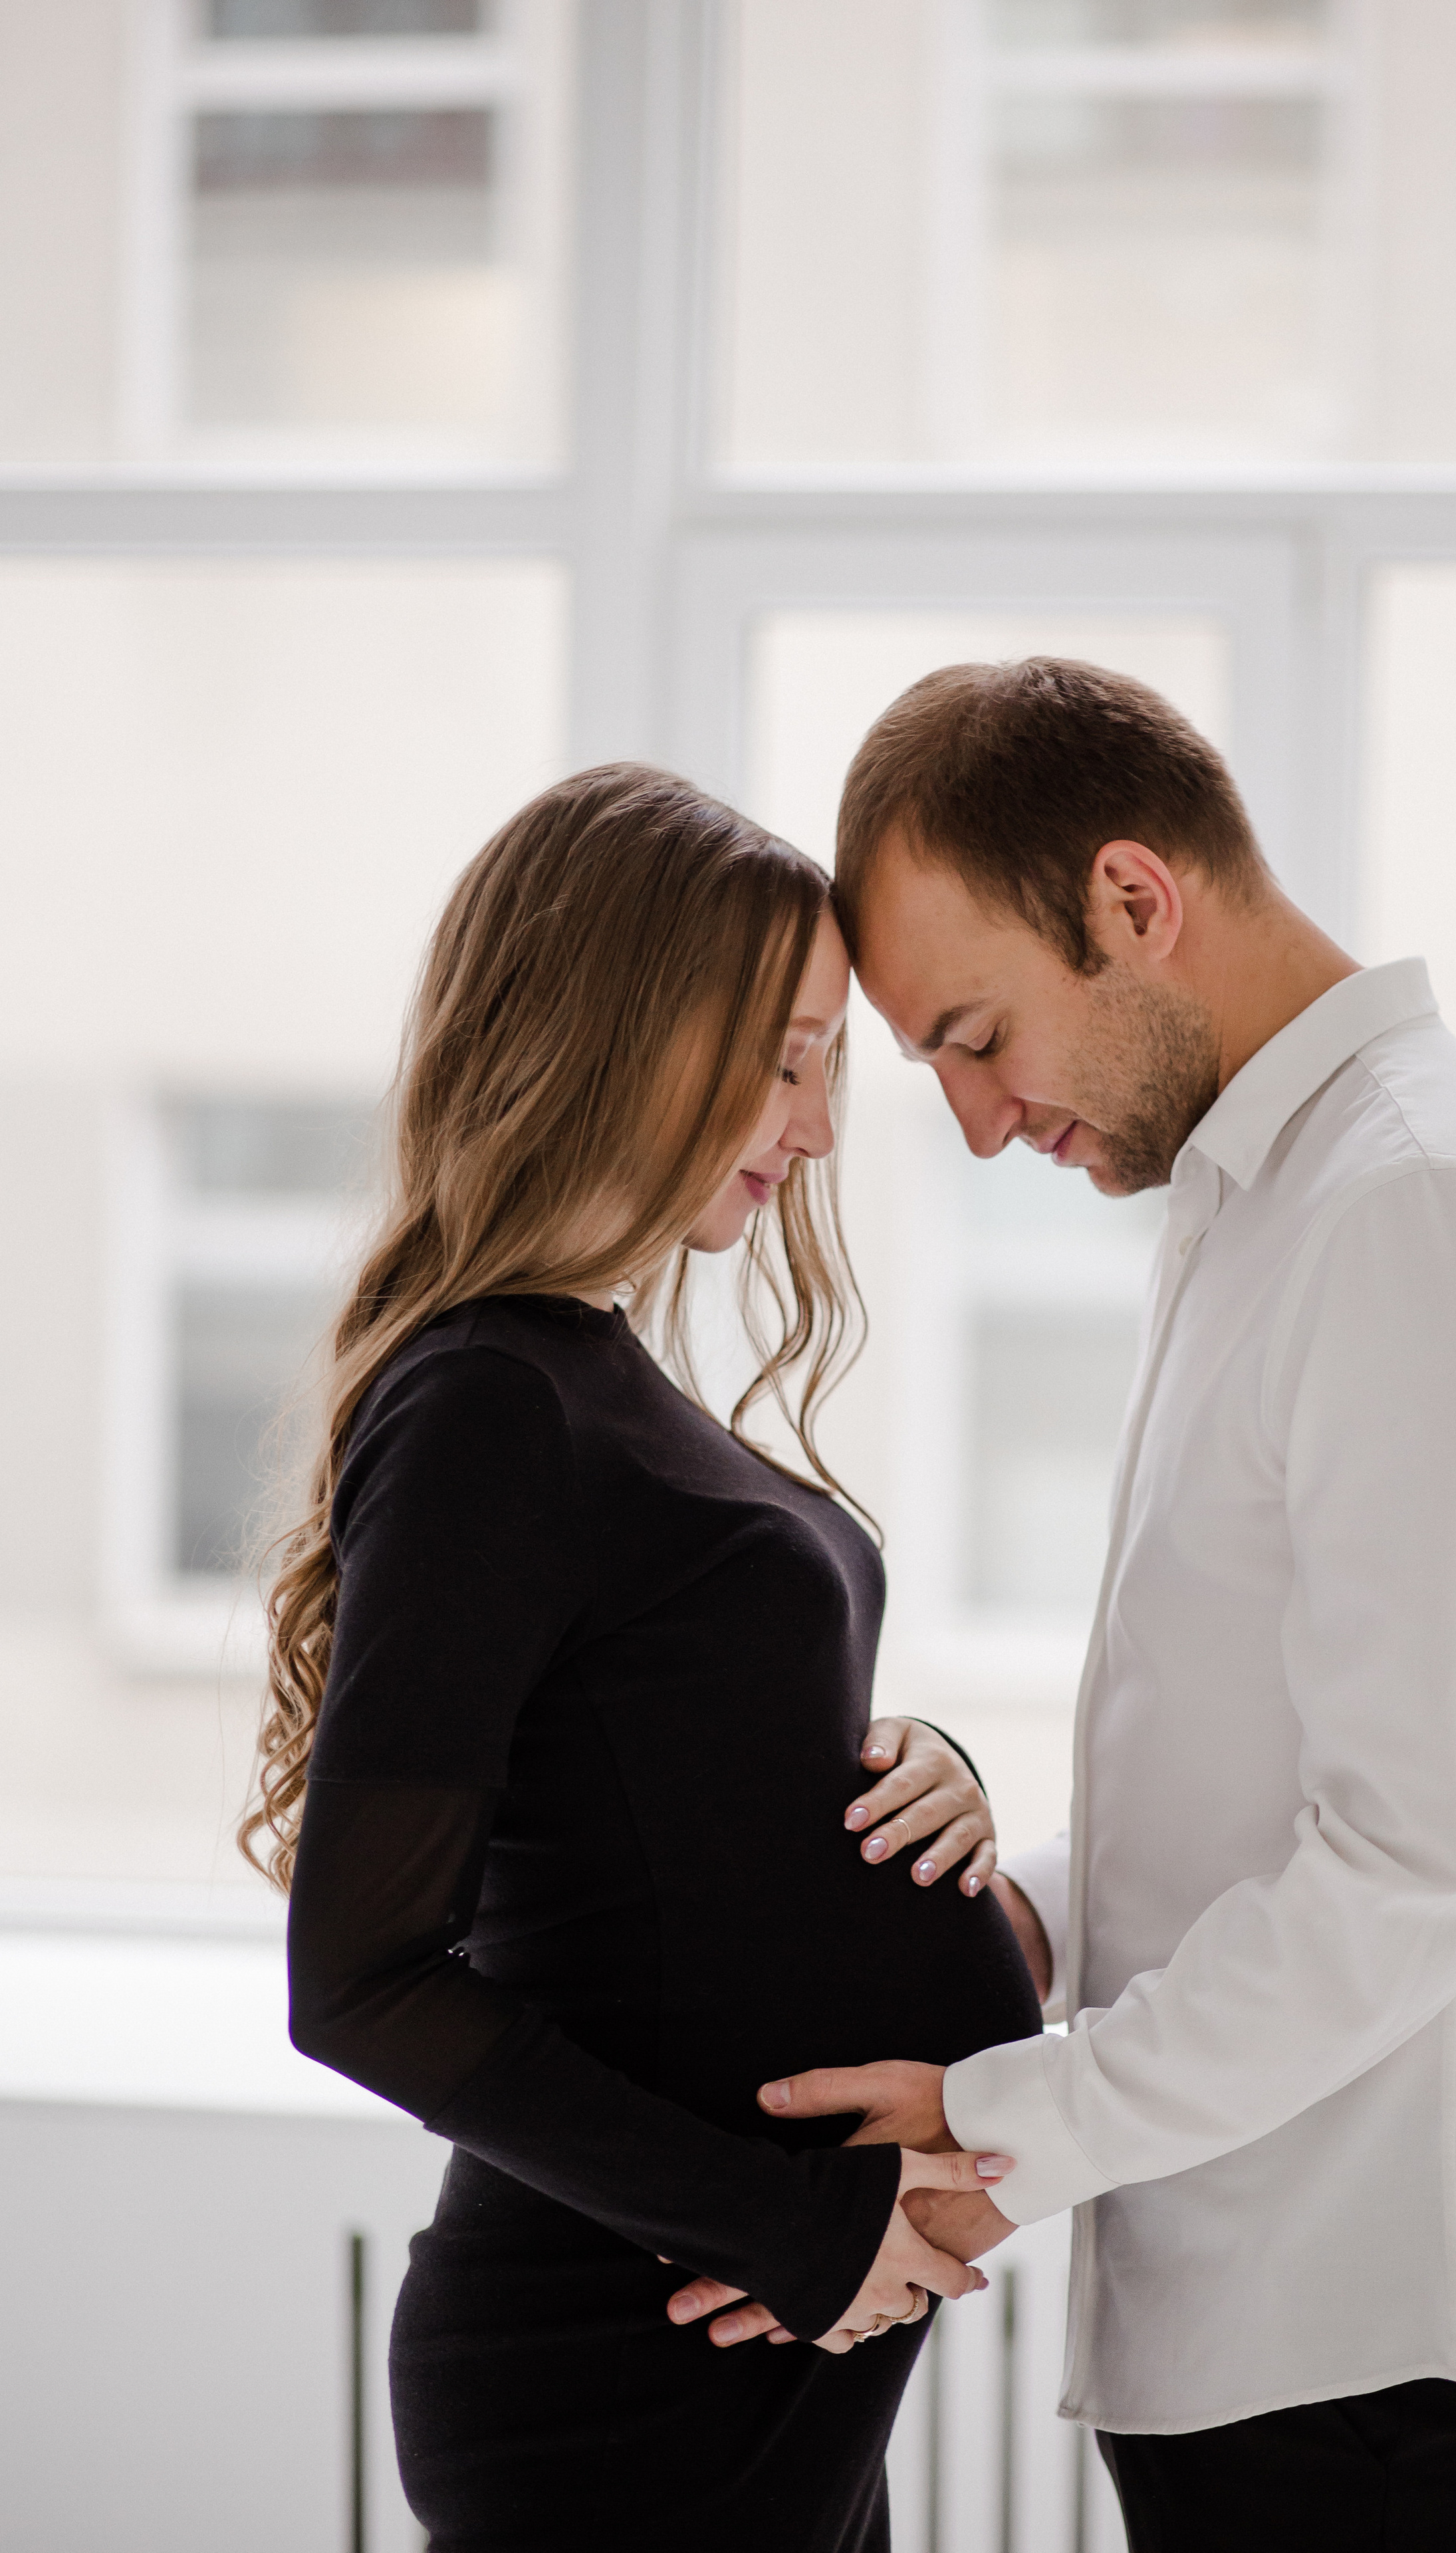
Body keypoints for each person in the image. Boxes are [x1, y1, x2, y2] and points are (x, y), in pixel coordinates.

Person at [668, 661, 1456, 2551]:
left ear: (1133, 898)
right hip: (1267, 2331)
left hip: (1366, 2352)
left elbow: (1420, 1862)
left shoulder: (1421, 1209)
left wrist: (996, 2128)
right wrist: (1009, 1917)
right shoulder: (1276, 1201)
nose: (976, 1127)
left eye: (977, 1038)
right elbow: (1265, 1777)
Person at [239, 763, 1041, 2552]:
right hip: (635, 2356)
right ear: (619, 1029)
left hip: (766, 2342)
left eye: (825, 1067)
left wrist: (918, 1773)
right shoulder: (487, 1400)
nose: (815, 1128)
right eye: (783, 1060)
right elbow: (361, 1978)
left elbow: (669, 1778)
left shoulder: (583, 1376)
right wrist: (790, 2226)